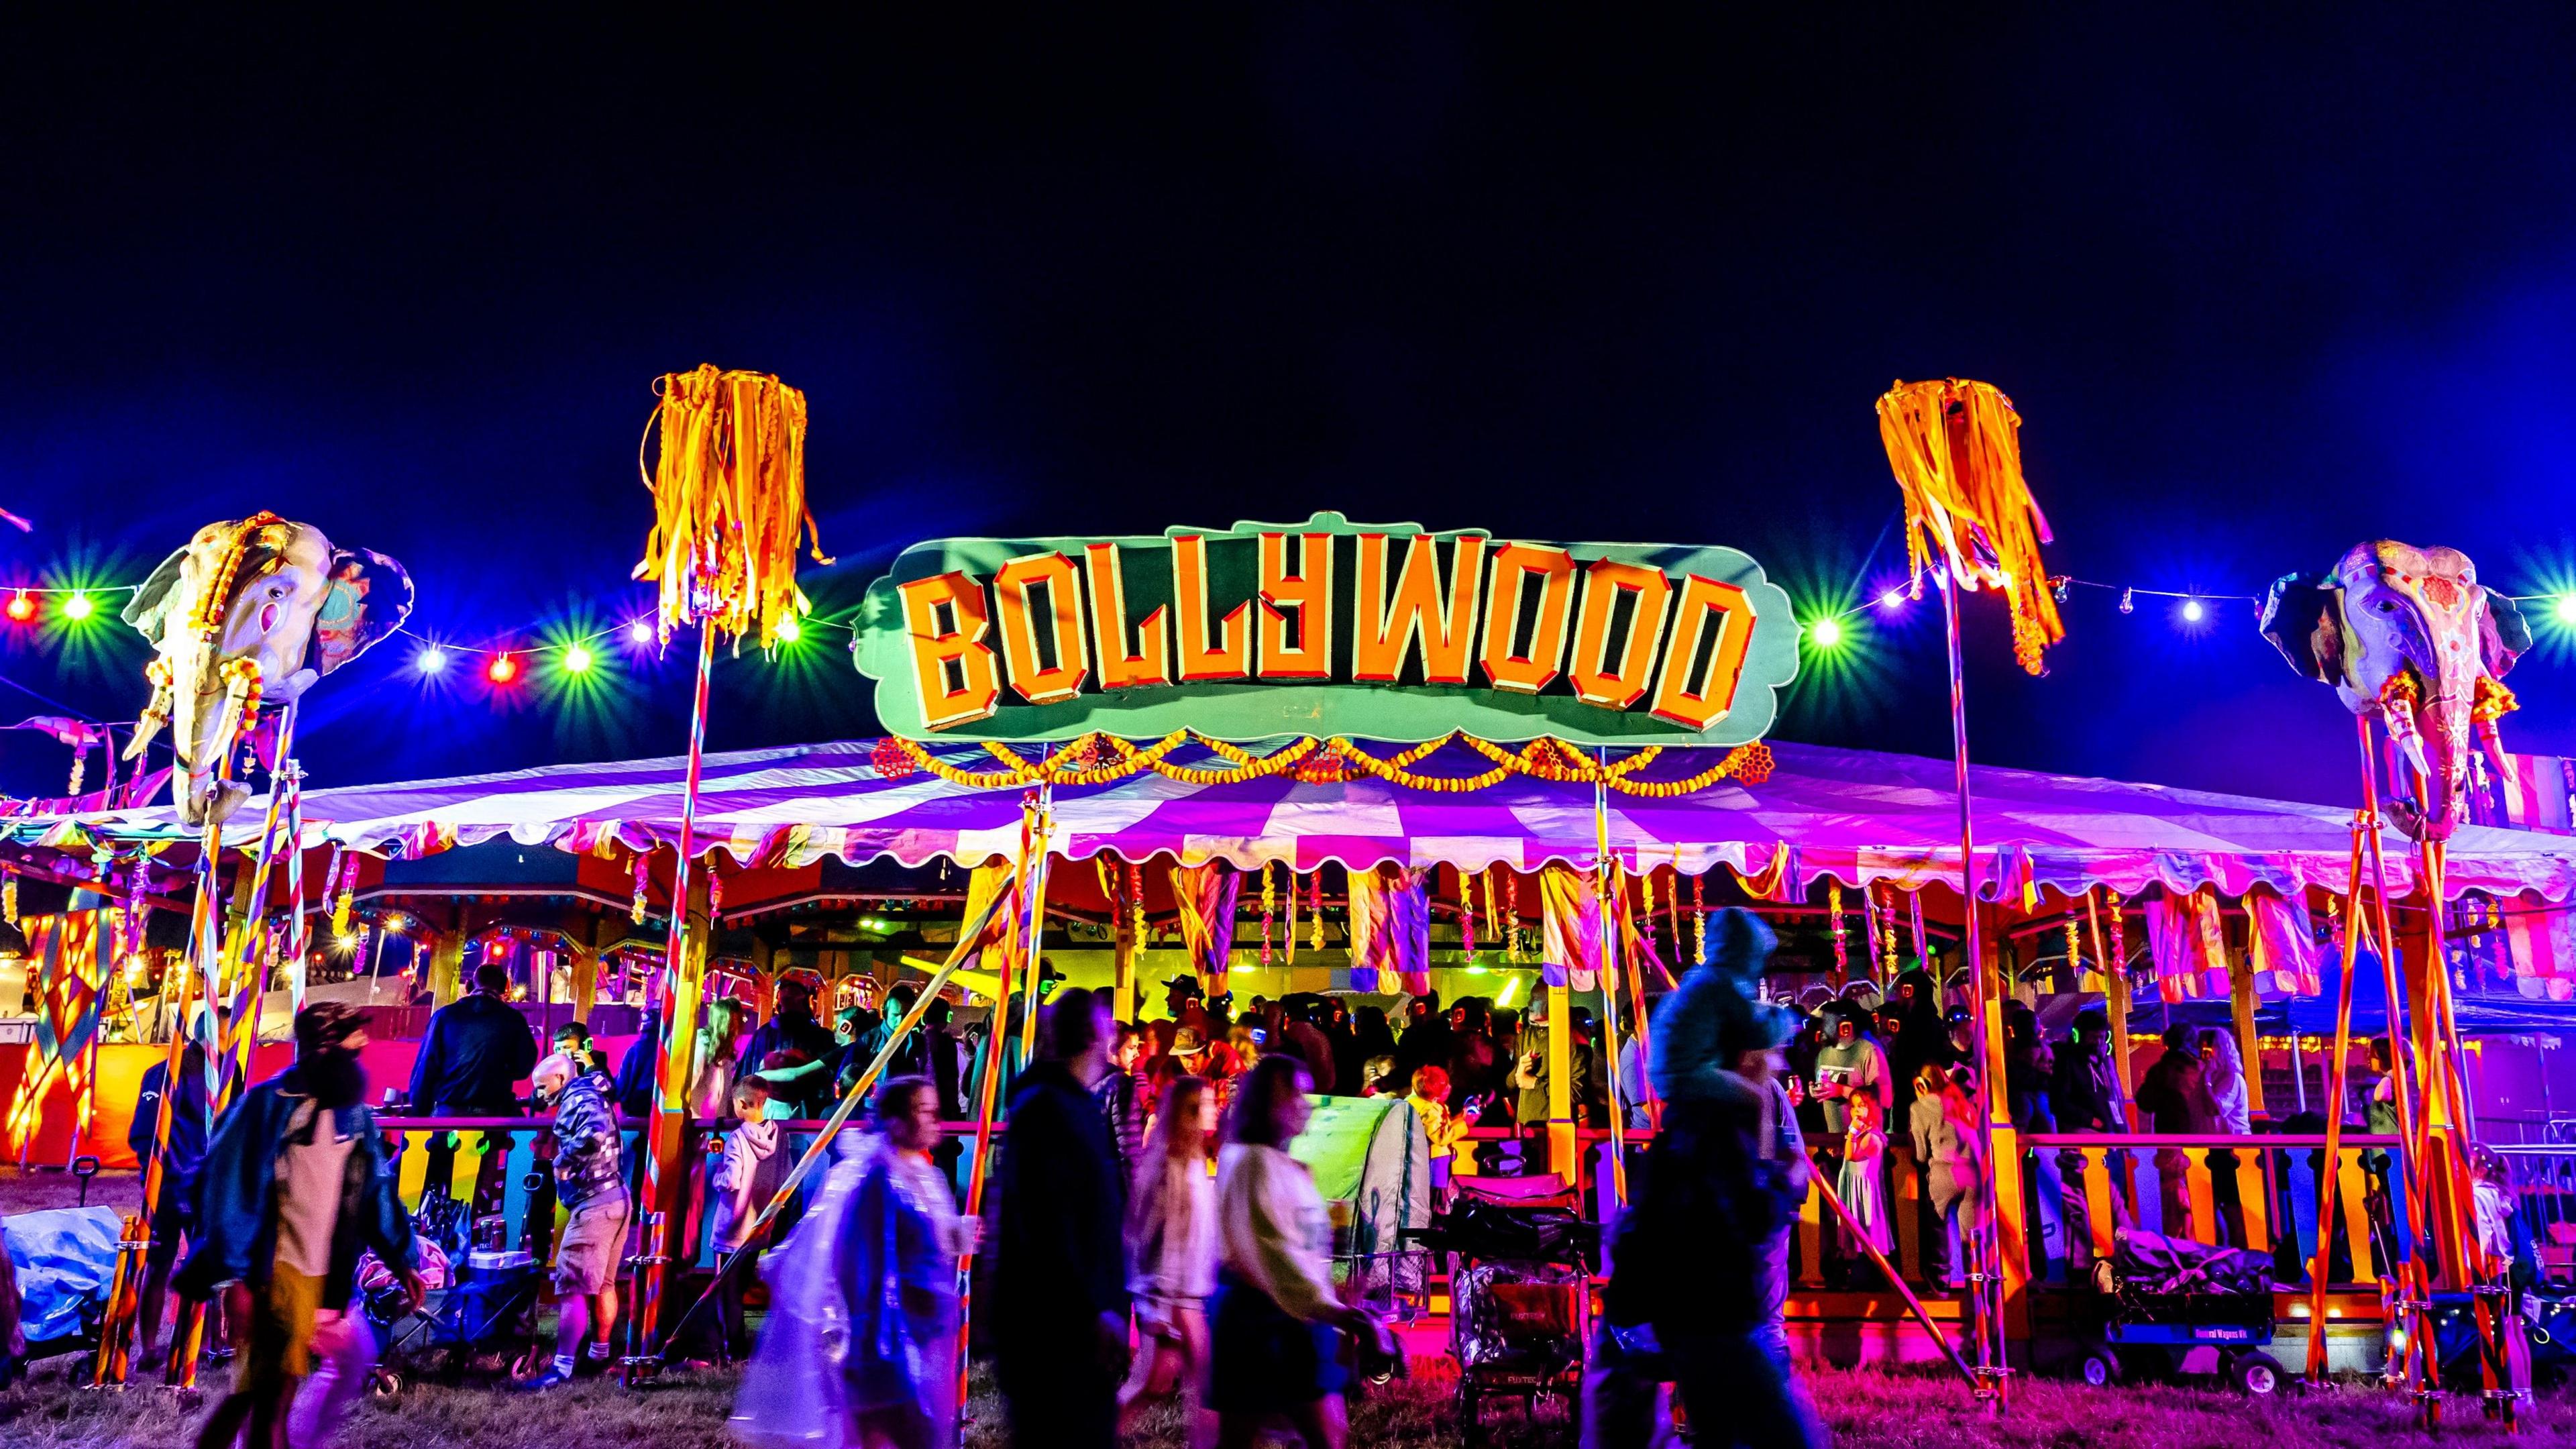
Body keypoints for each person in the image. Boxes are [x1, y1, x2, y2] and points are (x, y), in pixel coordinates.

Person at [182, 1004, 423, 1449]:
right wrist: (236, 1279)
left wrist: (402, 1256)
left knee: (347, 1360)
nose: (362, 1057)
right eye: (352, 1050)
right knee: (266, 1395)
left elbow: (375, 1189)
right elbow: (229, 1189)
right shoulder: (268, 1106)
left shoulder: (352, 1115)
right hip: (278, 1274)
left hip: (325, 1276)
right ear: (324, 1050)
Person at [1596, 1000, 1822, 1449]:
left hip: (1693, 1308)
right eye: (1771, 1052)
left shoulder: (1709, 1105)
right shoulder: (1729, 1111)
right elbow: (1743, 1211)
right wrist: (1789, 1179)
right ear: (1747, 1055)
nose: (1779, 1062)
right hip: (1707, 1311)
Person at [1208, 1055, 1382, 1449]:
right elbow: (1273, 1257)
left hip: (1296, 1320)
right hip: (1260, 1323)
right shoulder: (1251, 1164)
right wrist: (1344, 1316)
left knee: (1322, 1436)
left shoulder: (1284, 1166)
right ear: (1269, 1101)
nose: (1305, 1103)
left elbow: (1297, 1252)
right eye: (1296, 1092)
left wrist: (1335, 1301)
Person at [994, 987, 1131, 1449]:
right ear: (1097, 1036)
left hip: (1066, 1319)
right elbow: (1049, 1222)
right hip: (1053, 1328)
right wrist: (1090, 1307)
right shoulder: (1049, 1109)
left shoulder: (1071, 1103)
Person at [841, 1076, 975, 1449]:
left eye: (935, 1110)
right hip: (889, 1336)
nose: (935, 1119)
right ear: (896, 1121)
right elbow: (867, 1264)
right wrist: (879, 1336)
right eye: (923, 1110)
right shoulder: (880, 1181)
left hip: (923, 1330)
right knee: (912, 1433)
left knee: (887, 1434)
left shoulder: (924, 1174)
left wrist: (959, 1237)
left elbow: (931, 1241)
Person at [1120, 1075, 1218, 1448]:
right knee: (1153, 1384)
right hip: (1172, 1296)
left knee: (1193, 1385)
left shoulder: (1196, 1161)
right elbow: (1156, 1240)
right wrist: (1157, 1308)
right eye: (1207, 1104)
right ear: (1189, 1112)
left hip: (1189, 1294)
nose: (1215, 1109)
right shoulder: (1170, 1167)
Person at [523, 1049, 629, 1389]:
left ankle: (562, 1368)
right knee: (604, 1284)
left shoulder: (576, 1100)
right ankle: (598, 1354)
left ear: (561, 1079)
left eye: (542, 1087)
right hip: (615, 1198)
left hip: (594, 1204)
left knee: (572, 1287)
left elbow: (594, 1134)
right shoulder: (592, 1089)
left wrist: (562, 1162)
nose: (540, 1095)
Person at [407, 963, 540, 1212]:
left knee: (439, 1177)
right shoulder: (513, 1019)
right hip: (489, 1122)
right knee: (478, 1177)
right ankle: (472, 1225)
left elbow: (427, 1067)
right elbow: (524, 1068)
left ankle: (434, 1231)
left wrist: (419, 1116)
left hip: (448, 1119)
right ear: (505, 990)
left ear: (469, 986)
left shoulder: (445, 1016)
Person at [130, 1037, 216, 1374]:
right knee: (158, 1266)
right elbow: (144, 1131)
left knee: (209, 1265)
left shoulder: (226, 1071)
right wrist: (161, 1176)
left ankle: (205, 1345)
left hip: (206, 1183)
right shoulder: (164, 1072)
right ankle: (149, 1348)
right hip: (167, 1185)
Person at [703, 1076, 786, 1361]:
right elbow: (786, 1179)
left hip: (732, 1227)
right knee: (741, 1287)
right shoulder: (781, 1135)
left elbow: (732, 1180)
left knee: (727, 1292)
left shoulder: (738, 1138)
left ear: (740, 1104)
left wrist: (715, 1170)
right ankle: (737, 1346)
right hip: (759, 1226)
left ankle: (732, 1350)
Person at [1909, 1063, 1985, 1289]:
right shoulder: (1962, 1102)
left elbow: (1921, 1154)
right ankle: (1977, 1289)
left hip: (1944, 1170)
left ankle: (1941, 1281)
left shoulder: (1919, 1107)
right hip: (1972, 1172)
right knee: (1971, 1235)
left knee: (1937, 1225)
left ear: (1923, 1084)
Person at [2135, 1023, 2213, 1238]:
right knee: (2201, 1189)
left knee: (2173, 1192)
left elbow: (2144, 1102)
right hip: (2203, 1137)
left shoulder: (2161, 1070)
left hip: (2169, 1138)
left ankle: (2176, 1237)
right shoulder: (2201, 1068)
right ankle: (2202, 1235)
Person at [737, 980, 841, 1118]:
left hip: (776, 1108)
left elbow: (746, 1076)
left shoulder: (763, 1033)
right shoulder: (821, 1036)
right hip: (799, 1110)